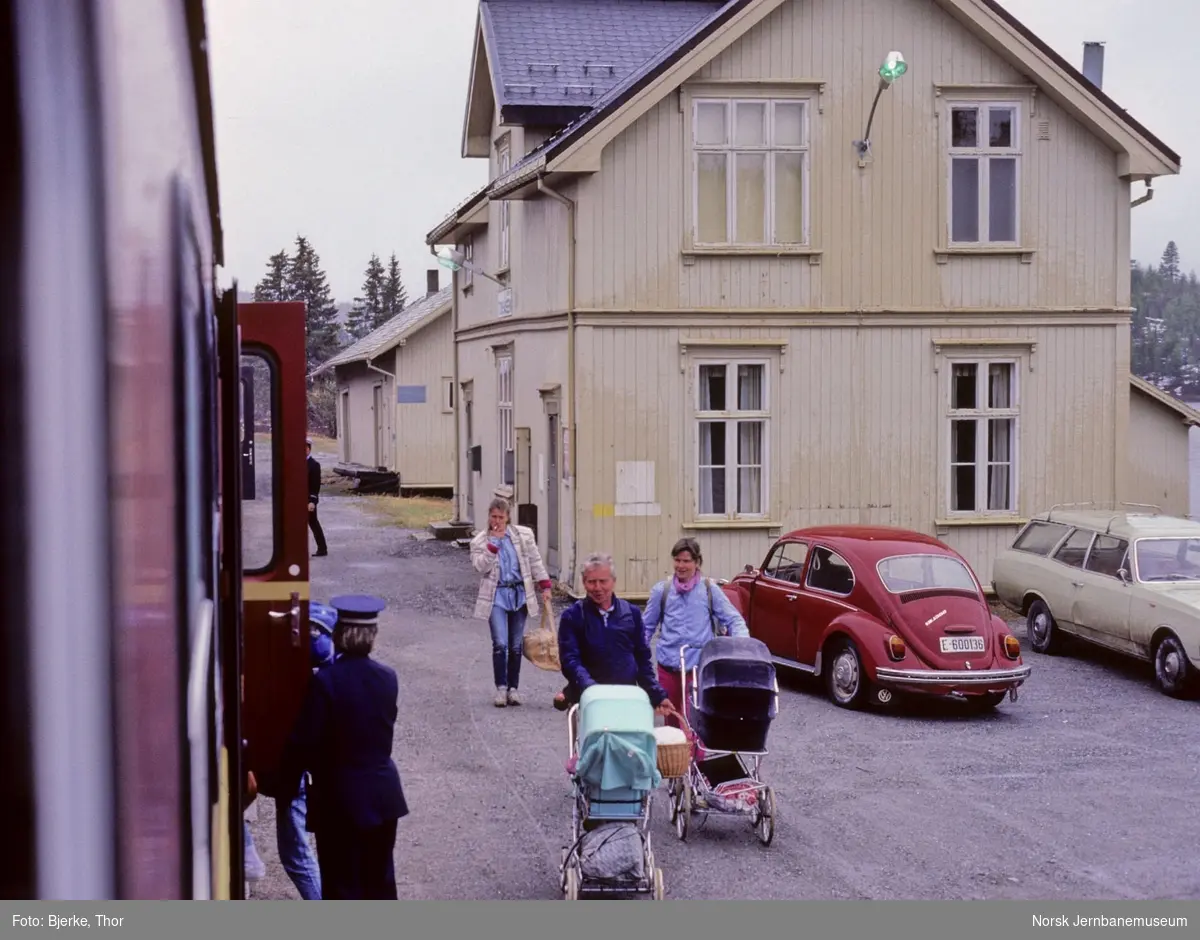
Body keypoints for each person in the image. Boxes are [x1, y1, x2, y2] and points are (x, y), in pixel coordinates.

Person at [276, 595, 407, 899]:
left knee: (341, 885)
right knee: (380, 882)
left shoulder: (325, 682)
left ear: (338, 636)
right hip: (384, 794)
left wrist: (284, 787)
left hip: (339, 800)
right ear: (372, 637)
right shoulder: (388, 678)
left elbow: (304, 742)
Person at [643, 537, 748, 759]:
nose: (681, 566)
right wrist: (635, 659)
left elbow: (734, 620)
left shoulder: (710, 591)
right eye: (677, 560)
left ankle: (698, 772)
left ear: (697, 562)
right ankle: (675, 773)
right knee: (671, 723)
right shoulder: (661, 591)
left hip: (697, 671)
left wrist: (741, 648)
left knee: (695, 723)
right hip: (668, 669)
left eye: (686, 561)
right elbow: (646, 628)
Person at [556, 552, 678, 719]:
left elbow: (642, 660)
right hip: (590, 700)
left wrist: (657, 695)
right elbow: (570, 661)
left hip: (626, 697)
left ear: (613, 581)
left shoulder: (632, 613)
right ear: (584, 583)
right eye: (592, 582)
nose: (598, 588)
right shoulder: (573, 616)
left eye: (603, 581)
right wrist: (591, 689)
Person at [270, 603, 338, 900]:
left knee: (296, 854)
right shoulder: (334, 672)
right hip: (322, 775)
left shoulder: (296, 675)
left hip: (297, 774)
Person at [470, 496, 552, 707]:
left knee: (516, 645)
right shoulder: (479, 541)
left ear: (508, 518)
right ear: (488, 517)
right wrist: (493, 545)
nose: (496, 521)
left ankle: (513, 688)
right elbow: (480, 567)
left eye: (501, 517)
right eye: (493, 517)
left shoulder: (523, 535)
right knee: (500, 644)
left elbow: (534, 561)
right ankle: (501, 688)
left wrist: (545, 586)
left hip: (518, 594)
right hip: (496, 594)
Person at [307, 440, 328, 557]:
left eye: (306, 448)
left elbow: (315, 485)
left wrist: (312, 501)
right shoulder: (297, 462)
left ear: (309, 449)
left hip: (308, 500)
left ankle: (322, 549)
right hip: (297, 499)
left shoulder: (314, 465)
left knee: (313, 523)